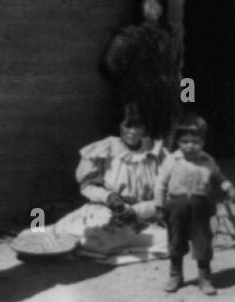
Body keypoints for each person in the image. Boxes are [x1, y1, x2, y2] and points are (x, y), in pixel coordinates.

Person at [52, 106, 169, 262]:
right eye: (128, 126)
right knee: (87, 233)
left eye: (137, 126)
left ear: (144, 129)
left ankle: (119, 245)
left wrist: (140, 210)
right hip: (109, 210)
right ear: (120, 127)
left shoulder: (156, 152)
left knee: (166, 239)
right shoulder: (106, 148)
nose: (132, 132)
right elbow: (87, 186)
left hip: (145, 215)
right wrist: (108, 196)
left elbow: (167, 195)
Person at [153, 113, 235, 296]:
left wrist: (229, 187)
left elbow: (219, 177)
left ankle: (204, 277)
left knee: (203, 241)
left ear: (203, 143)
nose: (190, 146)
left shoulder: (207, 160)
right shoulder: (172, 160)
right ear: (178, 143)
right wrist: (159, 208)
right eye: (185, 142)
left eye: (195, 142)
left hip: (200, 208)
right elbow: (160, 184)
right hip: (176, 207)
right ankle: (175, 275)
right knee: (176, 240)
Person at [102, 0, 183, 141]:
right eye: (149, 3)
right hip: (139, 99)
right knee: (140, 143)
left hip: (167, 99)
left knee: (165, 143)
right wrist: (132, 85)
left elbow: (177, 67)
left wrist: (183, 97)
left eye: (158, 3)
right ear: (140, 6)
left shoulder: (171, 35)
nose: (154, 7)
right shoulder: (129, 36)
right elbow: (110, 64)